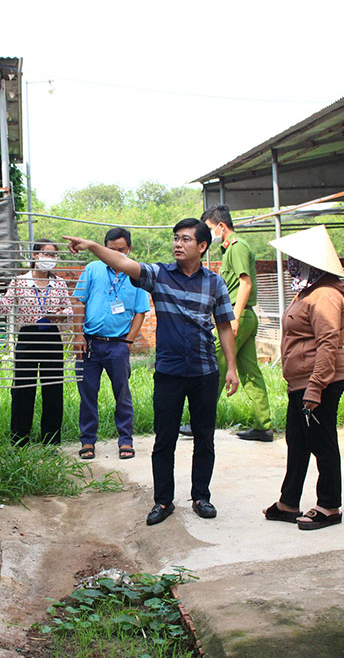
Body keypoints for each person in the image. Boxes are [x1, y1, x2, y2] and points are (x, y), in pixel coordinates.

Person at [64, 219, 240, 526]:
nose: (177, 244)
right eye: (175, 238)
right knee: (164, 440)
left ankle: (201, 496)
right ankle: (163, 500)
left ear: (201, 246)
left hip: (204, 372)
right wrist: (93, 246)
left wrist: (232, 369)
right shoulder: (159, 275)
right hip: (169, 372)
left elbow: (224, 326)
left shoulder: (215, 283)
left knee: (204, 438)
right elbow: (122, 261)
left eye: (185, 239)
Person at [260, 225, 344, 530]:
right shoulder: (309, 291)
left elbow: (328, 344)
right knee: (297, 443)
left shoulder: (325, 295)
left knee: (322, 444)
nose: (290, 266)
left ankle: (329, 506)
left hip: (319, 383)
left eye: (296, 260)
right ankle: (288, 502)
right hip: (302, 383)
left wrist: (315, 388)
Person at [186, 204, 273, 441]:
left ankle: (200, 422)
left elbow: (245, 284)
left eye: (209, 229)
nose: (207, 234)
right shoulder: (232, 249)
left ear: (221, 226)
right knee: (249, 371)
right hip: (243, 316)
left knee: (214, 366)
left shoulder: (236, 248)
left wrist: (233, 318)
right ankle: (263, 425)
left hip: (238, 316)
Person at [0, 239, 73, 446]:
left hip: (51, 338)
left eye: (54, 255)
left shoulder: (59, 284)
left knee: (53, 390)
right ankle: (19, 441)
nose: (50, 259)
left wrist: (59, 314)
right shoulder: (20, 282)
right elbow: (3, 308)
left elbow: (69, 310)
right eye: (47, 254)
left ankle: (51, 441)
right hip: (28, 338)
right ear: (35, 256)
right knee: (23, 389)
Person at [71, 227, 150, 461]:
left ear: (130, 249)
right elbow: (78, 302)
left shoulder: (137, 274)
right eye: (111, 250)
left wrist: (128, 341)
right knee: (87, 394)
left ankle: (125, 440)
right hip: (90, 344)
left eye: (122, 250)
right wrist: (78, 334)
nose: (117, 254)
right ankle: (87, 440)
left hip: (118, 346)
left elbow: (140, 312)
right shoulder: (92, 270)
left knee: (122, 394)